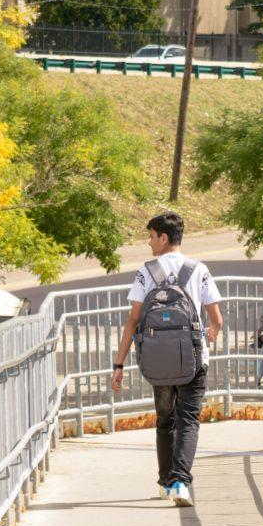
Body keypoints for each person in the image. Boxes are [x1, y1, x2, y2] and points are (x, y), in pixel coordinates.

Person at [111, 212, 223, 507]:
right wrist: (211, 332)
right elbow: (217, 319)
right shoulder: (199, 269)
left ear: (163, 237)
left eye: (151, 237)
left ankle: (165, 482)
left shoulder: (146, 272)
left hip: (157, 359)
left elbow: (133, 320)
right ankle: (180, 482)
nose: (149, 243)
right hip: (194, 358)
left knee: (165, 419)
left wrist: (119, 364)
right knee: (188, 420)